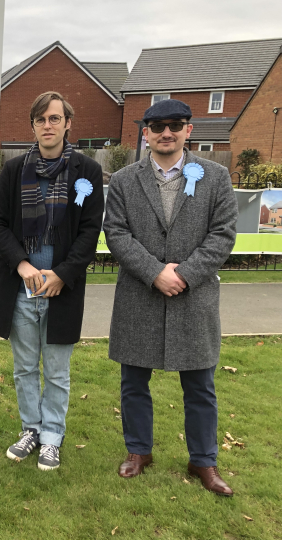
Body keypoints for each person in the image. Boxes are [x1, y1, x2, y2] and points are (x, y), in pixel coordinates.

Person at [103, 99, 238, 495]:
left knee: (200, 386)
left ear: (188, 130)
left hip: (193, 298)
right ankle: (138, 451)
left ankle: (204, 461)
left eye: (175, 125)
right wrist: (154, 272)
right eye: (158, 125)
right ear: (145, 132)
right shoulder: (125, 180)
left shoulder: (215, 176)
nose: (167, 132)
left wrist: (183, 274)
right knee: (133, 383)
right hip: (139, 295)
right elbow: (116, 233)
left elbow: (223, 234)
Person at [0, 91, 104, 470]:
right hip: (20, 288)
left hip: (62, 290)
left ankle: (52, 436)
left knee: (55, 370)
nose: (48, 126)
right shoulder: (14, 169)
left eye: (55, 119)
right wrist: (21, 264)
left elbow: (89, 231)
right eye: (41, 120)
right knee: (23, 368)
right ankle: (30, 429)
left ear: (68, 123)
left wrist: (63, 274)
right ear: (33, 125)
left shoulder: (87, 171)